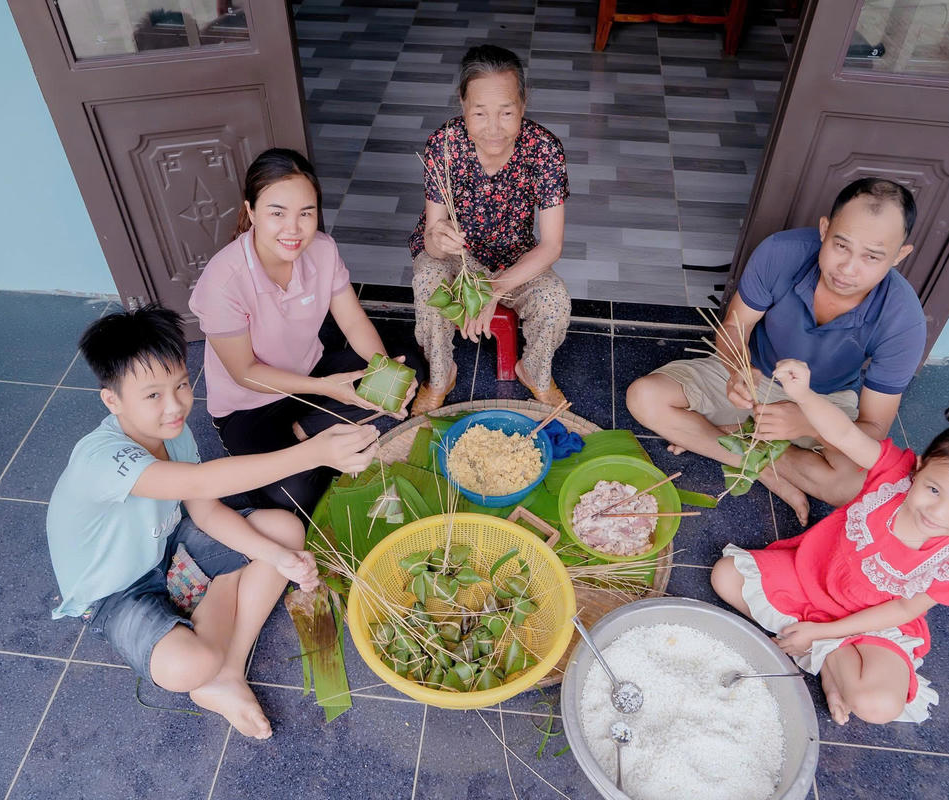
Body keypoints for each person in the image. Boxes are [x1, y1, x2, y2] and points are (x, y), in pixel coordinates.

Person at [46, 305, 379, 738]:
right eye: (153, 395)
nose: (175, 406)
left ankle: (229, 671)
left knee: (285, 533)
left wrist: (278, 556)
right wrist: (313, 452)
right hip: (115, 591)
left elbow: (204, 508)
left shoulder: (174, 433)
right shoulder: (103, 458)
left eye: (181, 385)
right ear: (112, 400)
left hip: (166, 547)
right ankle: (217, 629)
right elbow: (204, 479)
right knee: (187, 667)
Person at [712, 359, 949, 725]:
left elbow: (903, 611)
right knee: (725, 576)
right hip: (811, 579)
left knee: (878, 707)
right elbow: (843, 435)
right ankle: (831, 662)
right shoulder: (892, 477)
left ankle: (824, 649)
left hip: (872, 622)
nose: (937, 512)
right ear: (917, 468)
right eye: (933, 489)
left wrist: (823, 631)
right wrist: (803, 396)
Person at [626, 178, 926, 524]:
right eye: (841, 246)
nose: (848, 268)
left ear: (899, 256)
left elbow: (873, 428)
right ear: (825, 229)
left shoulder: (904, 320)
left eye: (872, 257)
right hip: (755, 376)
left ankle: (729, 439)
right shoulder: (781, 252)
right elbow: (736, 329)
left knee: (852, 484)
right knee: (644, 397)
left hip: (824, 402)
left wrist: (808, 422)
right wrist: (738, 369)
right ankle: (761, 465)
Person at [189, 148, 425, 515]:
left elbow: (352, 321)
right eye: (277, 213)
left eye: (306, 213)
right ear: (251, 211)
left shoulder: (323, 251)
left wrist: (386, 375)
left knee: (408, 364)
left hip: (311, 373)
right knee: (294, 498)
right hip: (249, 407)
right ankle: (313, 434)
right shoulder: (223, 281)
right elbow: (245, 373)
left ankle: (309, 430)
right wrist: (327, 389)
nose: (293, 229)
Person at [409, 44, 571, 412]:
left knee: (554, 301)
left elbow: (551, 246)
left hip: (513, 263)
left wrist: (494, 289)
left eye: (506, 112)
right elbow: (432, 238)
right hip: (456, 258)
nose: (494, 128)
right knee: (427, 281)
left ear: (523, 105)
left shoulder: (544, 150)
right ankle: (440, 374)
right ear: (463, 105)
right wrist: (438, 239)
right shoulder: (445, 145)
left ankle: (534, 372)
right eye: (480, 113)